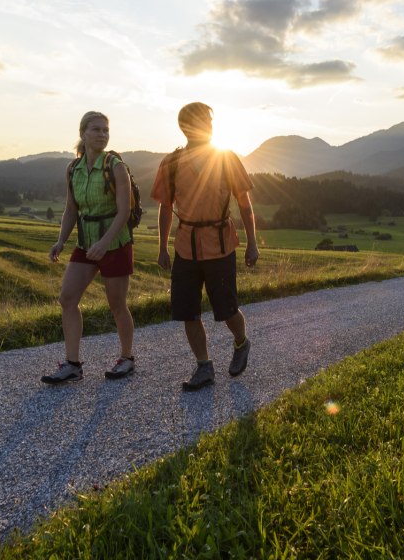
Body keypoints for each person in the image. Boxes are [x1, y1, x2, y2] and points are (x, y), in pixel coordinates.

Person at [151, 102, 259, 390]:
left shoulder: (227, 159)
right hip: (186, 246)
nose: (204, 126)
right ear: (184, 127)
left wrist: (252, 244)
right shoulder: (171, 163)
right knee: (188, 311)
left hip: (220, 245)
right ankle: (204, 366)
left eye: (207, 122)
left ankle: (241, 342)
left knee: (226, 309)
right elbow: (165, 207)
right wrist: (162, 247)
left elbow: (245, 205)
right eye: (197, 122)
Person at [41, 110, 136, 384]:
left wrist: (105, 244)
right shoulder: (73, 169)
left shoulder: (115, 166)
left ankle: (127, 358)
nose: (102, 135)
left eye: (106, 130)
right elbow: (71, 210)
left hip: (115, 242)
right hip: (86, 242)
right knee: (67, 298)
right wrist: (61, 241)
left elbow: (124, 213)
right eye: (96, 130)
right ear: (83, 133)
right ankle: (72, 364)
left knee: (117, 304)